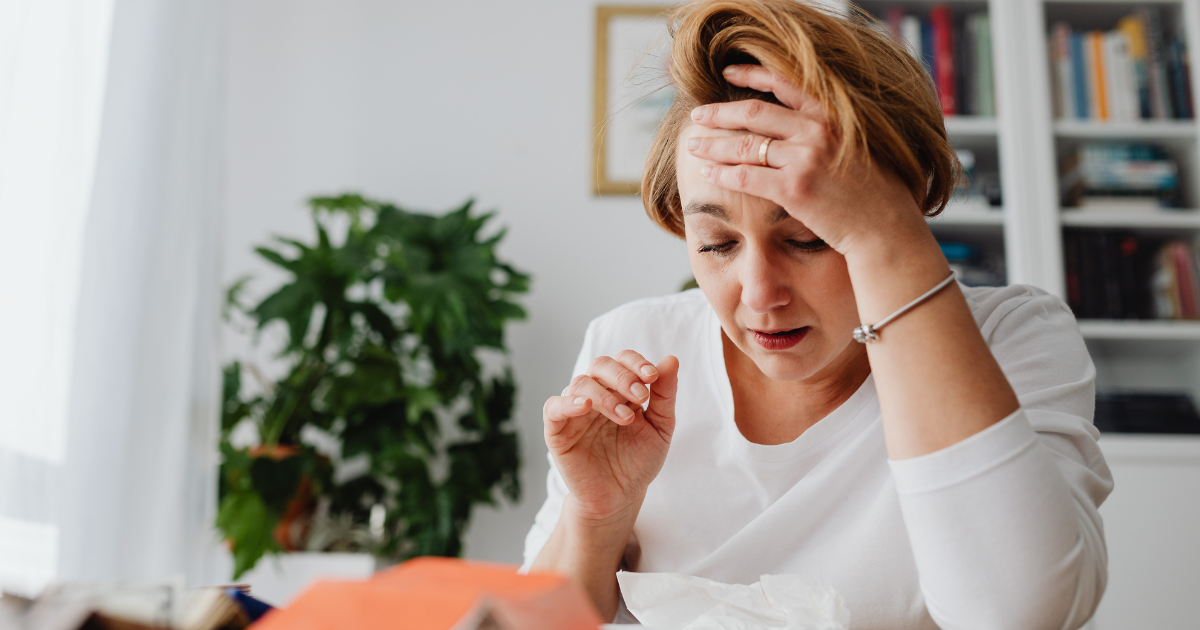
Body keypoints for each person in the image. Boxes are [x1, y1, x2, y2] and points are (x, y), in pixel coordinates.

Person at [522, 1, 1113, 628]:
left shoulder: (1010, 337)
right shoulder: (632, 342)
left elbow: (1020, 614)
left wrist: (890, 234)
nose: (758, 296)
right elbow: (537, 620)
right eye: (717, 244)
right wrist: (595, 516)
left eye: (808, 238)